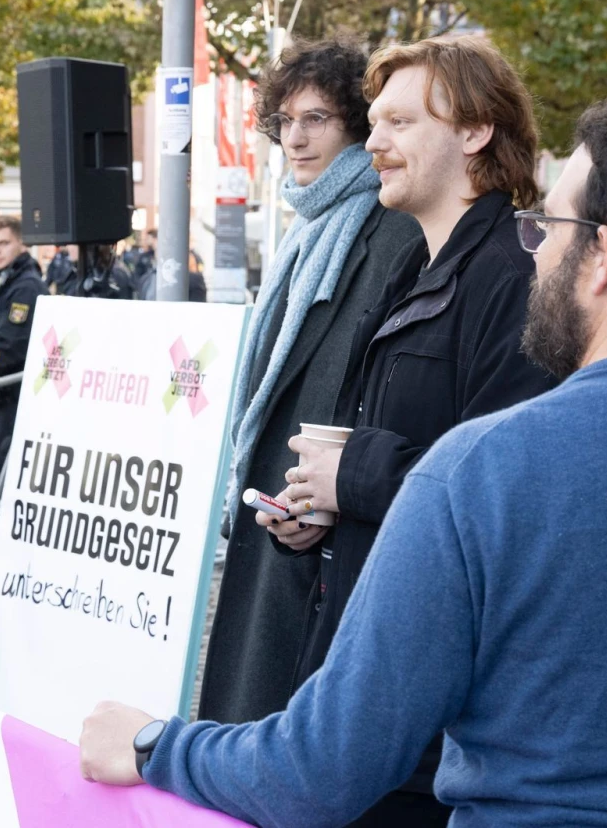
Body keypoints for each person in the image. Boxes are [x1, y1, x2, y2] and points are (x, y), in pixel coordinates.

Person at [81, 89, 607, 828]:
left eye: (548, 226)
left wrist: (156, 744)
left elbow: (320, 770)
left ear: (603, 258)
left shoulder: (480, 475)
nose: (535, 250)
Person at [258, 34, 556, 824]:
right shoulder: (413, 267)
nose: (374, 144)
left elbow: (508, 490)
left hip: (437, 717)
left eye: (399, 123)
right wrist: (319, 513)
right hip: (379, 679)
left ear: (476, 131)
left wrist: (351, 477)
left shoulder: (514, 277)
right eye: (374, 123)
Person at [197, 37, 419, 729]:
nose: (294, 138)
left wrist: (321, 498)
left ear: (357, 123)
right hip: (282, 511)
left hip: (324, 526)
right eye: (286, 120)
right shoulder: (311, 226)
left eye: (316, 118)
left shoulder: (394, 227)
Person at [0, 214, 47, 613]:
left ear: (20, 244)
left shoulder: (26, 285)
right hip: (1, 401)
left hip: (13, 401)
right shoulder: (3, 280)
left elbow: (10, 345)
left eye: (3, 243)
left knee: (1, 493)